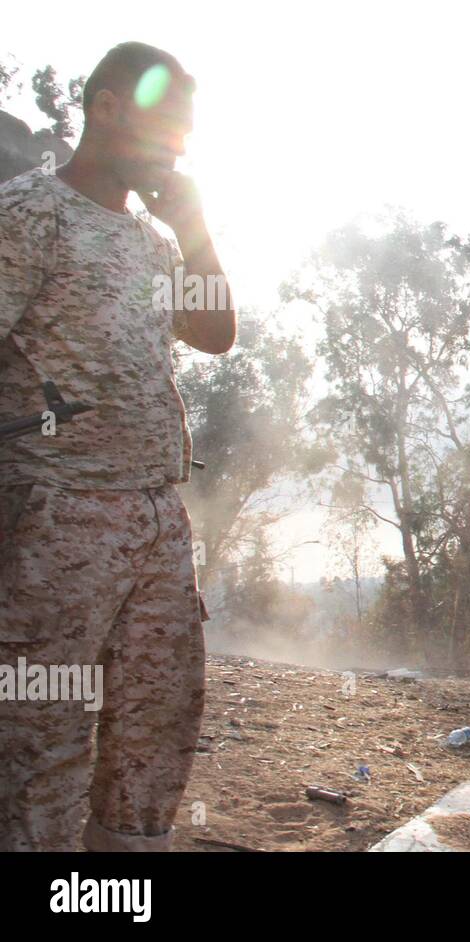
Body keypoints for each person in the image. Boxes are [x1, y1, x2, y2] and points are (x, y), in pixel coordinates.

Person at [0, 42, 235, 851]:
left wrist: (194, 226)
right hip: (56, 519)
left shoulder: (151, 241)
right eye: (165, 123)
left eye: (184, 131)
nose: (177, 145)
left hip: (155, 520)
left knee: (155, 724)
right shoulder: (28, 215)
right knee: (42, 735)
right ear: (103, 108)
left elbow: (213, 332)